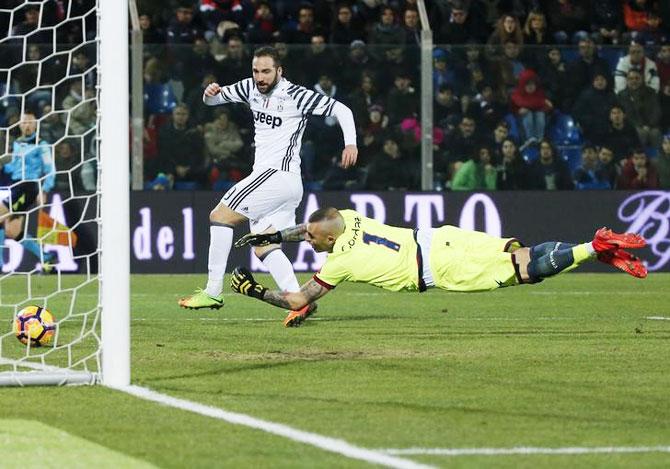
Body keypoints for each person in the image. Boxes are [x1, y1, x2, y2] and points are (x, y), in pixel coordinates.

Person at [230, 207, 647, 327]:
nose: (308, 240)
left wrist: (254, 292)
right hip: (439, 237)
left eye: (312, 240)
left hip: (438, 270)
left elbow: (299, 298)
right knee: (523, 254)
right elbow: (311, 223)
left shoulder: (340, 262)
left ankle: (594, 247)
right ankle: (596, 248)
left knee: (524, 273)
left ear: (330, 239)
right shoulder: (350, 215)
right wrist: (271, 237)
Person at [178, 46, 358, 317]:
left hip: (276, 176)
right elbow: (214, 102)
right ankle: (301, 302)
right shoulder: (249, 88)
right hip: (284, 184)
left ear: (279, 71)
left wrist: (350, 143)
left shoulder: (296, 95)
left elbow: (342, 110)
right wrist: (209, 94)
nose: (260, 77)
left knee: (220, 216)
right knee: (263, 245)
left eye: (266, 71)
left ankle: (213, 292)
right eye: (256, 71)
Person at [0, 112, 56, 272]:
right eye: (24, 122)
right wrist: (3, 166)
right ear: (19, 125)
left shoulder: (42, 145)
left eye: (31, 122)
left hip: (29, 187)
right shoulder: (17, 143)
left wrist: (44, 189)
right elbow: (14, 168)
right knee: (13, 231)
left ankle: (0, 265)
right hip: (17, 186)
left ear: (36, 125)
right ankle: (46, 258)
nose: (27, 125)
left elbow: (50, 170)